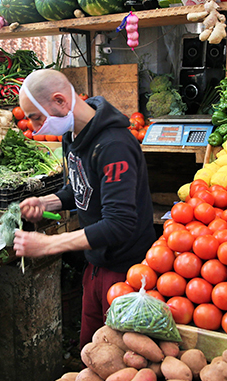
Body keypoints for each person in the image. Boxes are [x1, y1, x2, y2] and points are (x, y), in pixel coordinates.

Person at [14, 69, 156, 347]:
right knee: (91, 348)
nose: (33, 127)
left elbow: (119, 223)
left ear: (60, 101)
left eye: (36, 117)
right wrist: (47, 202)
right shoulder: (73, 135)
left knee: (118, 354)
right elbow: (78, 187)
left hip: (126, 270)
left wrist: (49, 245)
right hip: (95, 264)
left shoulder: (114, 145)